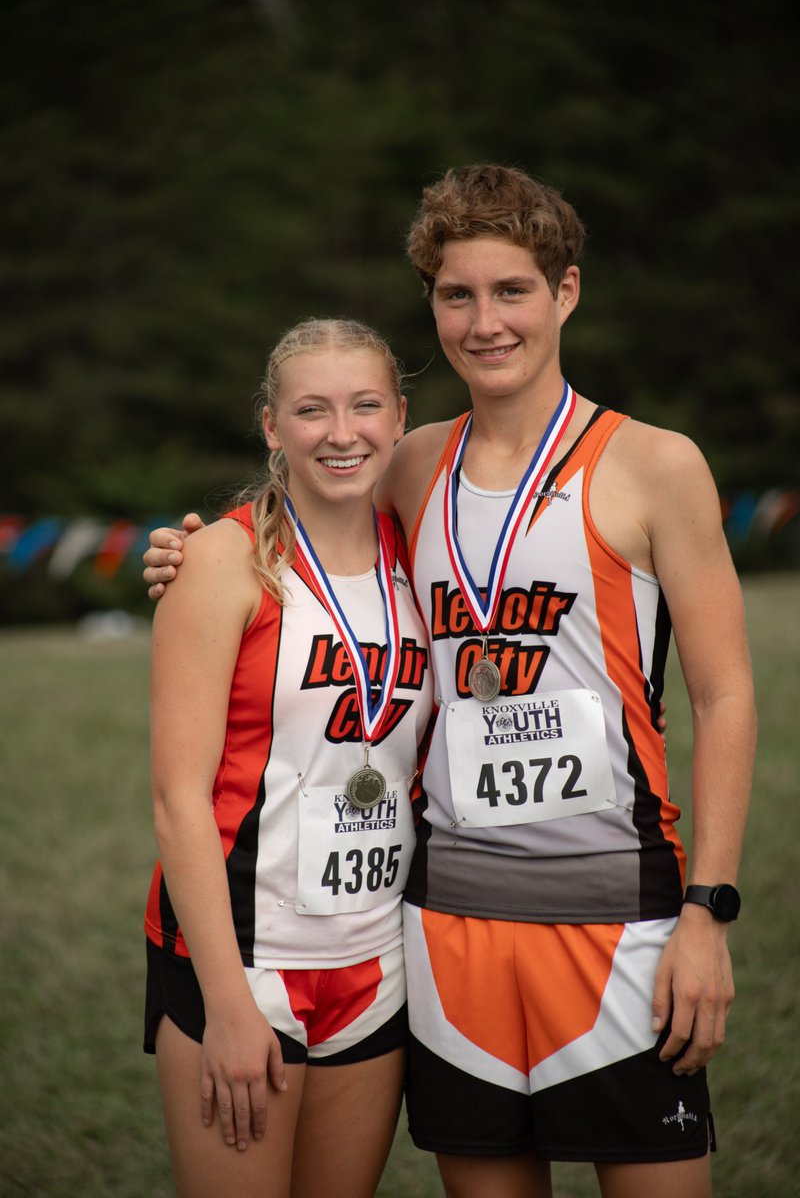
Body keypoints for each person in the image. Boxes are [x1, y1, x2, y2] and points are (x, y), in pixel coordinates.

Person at [144, 165, 756, 1198]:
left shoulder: (655, 465)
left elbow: (726, 696)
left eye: (511, 290)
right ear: (430, 305)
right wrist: (187, 551)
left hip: (622, 912)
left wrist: (707, 912)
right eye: (456, 296)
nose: (484, 322)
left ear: (564, 292)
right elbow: (306, 492)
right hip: (446, 922)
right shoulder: (411, 462)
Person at [143, 317, 433, 1198]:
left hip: (375, 955)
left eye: (365, 406)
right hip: (243, 958)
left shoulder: (424, 550)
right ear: (273, 426)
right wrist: (229, 1008)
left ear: (399, 415)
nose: (341, 433)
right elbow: (178, 802)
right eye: (312, 410)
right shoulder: (224, 562)